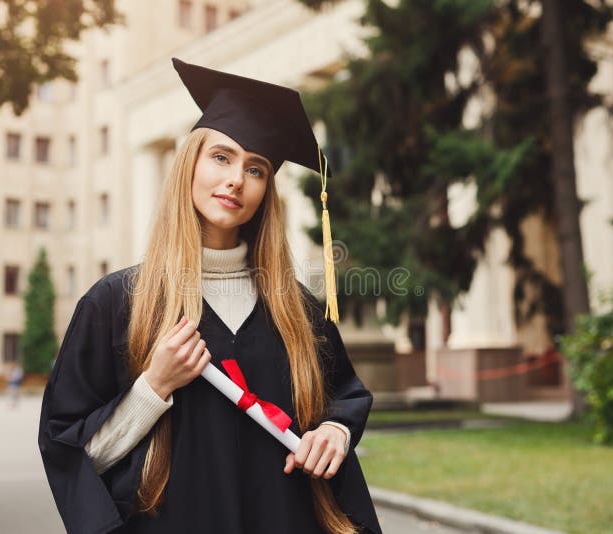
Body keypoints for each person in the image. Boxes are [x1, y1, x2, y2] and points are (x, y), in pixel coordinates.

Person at [38, 57, 381, 534]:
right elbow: (75, 456)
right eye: (221, 157)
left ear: (266, 191)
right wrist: (153, 388)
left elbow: (344, 397)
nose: (236, 179)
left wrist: (333, 432)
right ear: (190, 165)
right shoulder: (116, 303)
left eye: (256, 169)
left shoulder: (297, 309)